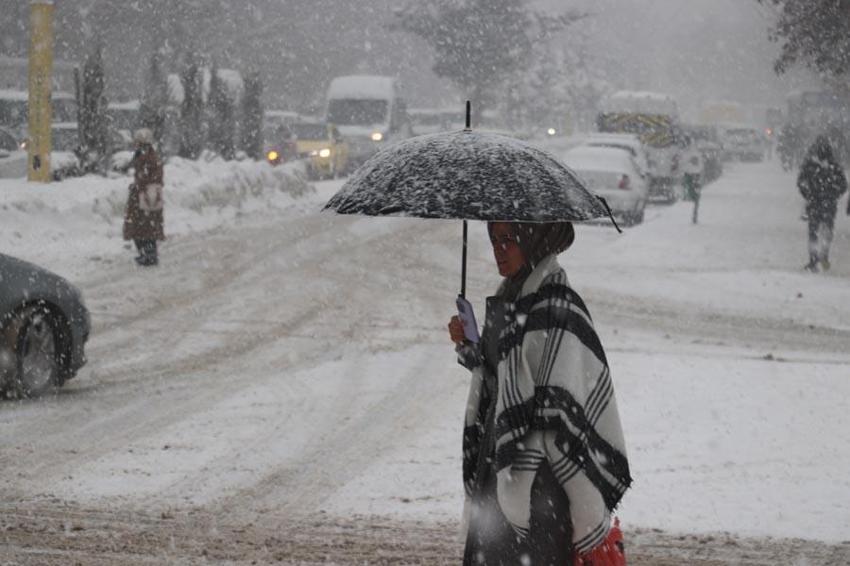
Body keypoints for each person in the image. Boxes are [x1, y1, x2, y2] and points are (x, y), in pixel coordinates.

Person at [449, 222, 631, 566]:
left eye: (508, 239)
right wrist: (469, 346)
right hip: (501, 459)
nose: (498, 250)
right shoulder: (512, 295)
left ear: (533, 238)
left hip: (541, 476)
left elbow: (561, 397)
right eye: (493, 239)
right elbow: (499, 377)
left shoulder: (556, 302)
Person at [798, 135, 847, 272]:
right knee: (827, 231)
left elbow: (801, 182)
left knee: (813, 232)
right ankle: (824, 254)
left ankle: (813, 260)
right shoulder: (834, 166)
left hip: (814, 204)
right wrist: (833, 195)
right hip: (829, 205)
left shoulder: (810, 165)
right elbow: (843, 185)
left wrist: (808, 194)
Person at [123, 129, 165, 266]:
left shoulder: (149, 158)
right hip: (145, 195)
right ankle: (146, 254)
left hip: (148, 196)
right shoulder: (144, 156)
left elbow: (153, 177)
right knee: (142, 227)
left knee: (146, 227)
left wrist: (140, 185)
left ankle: (149, 255)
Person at [681, 138, 704, 224]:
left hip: (692, 173)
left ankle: (694, 207)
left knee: (692, 190)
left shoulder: (692, 152)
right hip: (691, 173)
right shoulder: (688, 152)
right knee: (692, 190)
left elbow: (697, 163)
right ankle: (694, 205)